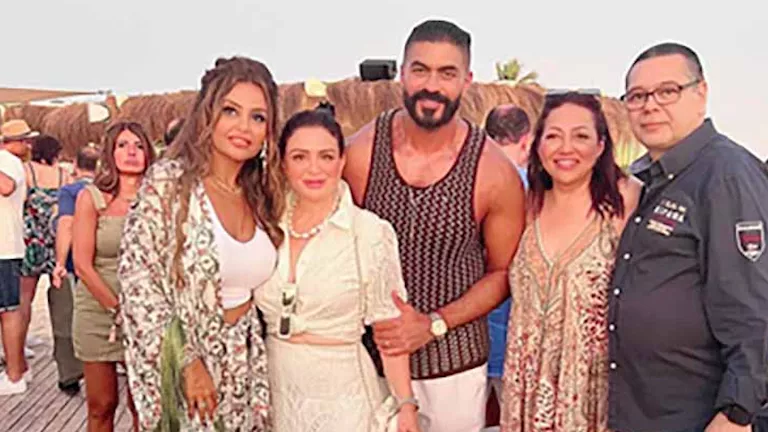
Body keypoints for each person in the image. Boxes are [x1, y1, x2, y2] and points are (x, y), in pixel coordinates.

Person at [343, 19, 526, 431]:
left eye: (447, 73)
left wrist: (433, 324)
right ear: (402, 73)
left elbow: (503, 273)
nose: (432, 86)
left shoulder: (493, 172)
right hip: (370, 362)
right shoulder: (361, 153)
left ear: (466, 80)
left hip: (454, 368)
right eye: (420, 70)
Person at [608, 42, 768, 432]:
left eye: (667, 91)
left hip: (699, 415)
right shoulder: (645, 178)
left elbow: (753, 307)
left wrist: (737, 412)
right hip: (642, 410)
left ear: (701, 93)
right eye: (637, 96)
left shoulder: (725, 175)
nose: (650, 106)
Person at [118, 56, 284, 431]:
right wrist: (187, 362)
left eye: (258, 117)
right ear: (207, 114)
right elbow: (137, 282)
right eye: (230, 111)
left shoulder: (262, 195)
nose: (244, 127)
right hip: (189, 369)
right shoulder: (169, 184)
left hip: (246, 369)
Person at [255, 108, 422, 431]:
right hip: (276, 395)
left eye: (326, 156)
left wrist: (406, 405)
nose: (314, 168)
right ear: (283, 163)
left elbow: (390, 331)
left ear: (342, 162)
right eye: (300, 157)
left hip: (345, 401)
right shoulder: (265, 226)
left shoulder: (369, 232)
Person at [499, 91, 641, 431]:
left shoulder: (627, 201)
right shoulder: (525, 204)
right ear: (537, 145)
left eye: (580, 136)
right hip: (525, 393)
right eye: (553, 136)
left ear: (601, 145)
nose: (566, 148)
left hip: (592, 397)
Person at [73, 121, 155, 430]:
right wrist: (118, 309)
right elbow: (82, 265)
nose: (131, 151)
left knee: (144, 406)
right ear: (110, 152)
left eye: (138, 145)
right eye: (122, 145)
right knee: (102, 405)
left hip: (147, 314)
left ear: (148, 153)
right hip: (98, 312)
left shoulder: (158, 199)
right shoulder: (92, 198)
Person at [482, 104, 532, 426]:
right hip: (517, 336)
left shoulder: (471, 182)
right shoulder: (539, 191)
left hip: (466, 335)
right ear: (527, 141)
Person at [50, 144, 101, 394]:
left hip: (76, 265)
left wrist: (60, 262)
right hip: (104, 264)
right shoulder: (106, 189)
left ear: (75, 166)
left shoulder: (70, 192)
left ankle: (70, 375)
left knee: (67, 318)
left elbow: (66, 225)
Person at [20, 134, 72, 350]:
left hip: (31, 241)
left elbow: (21, 201)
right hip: (58, 240)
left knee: (25, 298)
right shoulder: (64, 175)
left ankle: (20, 343)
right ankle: (64, 348)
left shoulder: (27, 171)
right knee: (61, 298)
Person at [0, 120, 35, 395]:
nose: (28, 145)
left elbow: (6, 187)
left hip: (4, 248)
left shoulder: (7, 161)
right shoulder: (11, 161)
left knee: (9, 310)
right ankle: (17, 368)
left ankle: (14, 376)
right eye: (24, 140)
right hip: (7, 246)